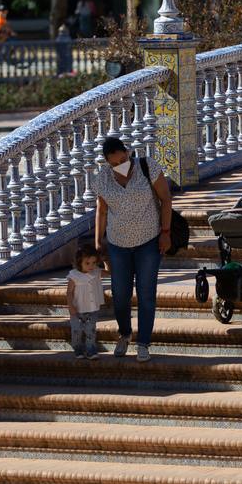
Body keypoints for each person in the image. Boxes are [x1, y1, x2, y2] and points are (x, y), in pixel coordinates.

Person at [93, 136, 172, 363]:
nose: (121, 164)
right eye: (116, 162)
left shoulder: (147, 167)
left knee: (146, 294)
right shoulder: (103, 179)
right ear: (108, 163)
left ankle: (143, 343)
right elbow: (102, 211)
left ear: (128, 152)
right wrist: (99, 242)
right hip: (118, 244)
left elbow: (166, 199)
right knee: (120, 295)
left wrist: (165, 233)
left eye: (124, 158)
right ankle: (125, 333)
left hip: (149, 241)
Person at [66, 244, 105, 360]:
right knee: (77, 330)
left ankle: (91, 349)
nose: (91, 266)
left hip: (92, 309)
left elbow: (110, 273)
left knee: (90, 330)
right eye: (87, 263)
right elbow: (69, 292)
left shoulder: (96, 272)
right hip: (77, 309)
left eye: (94, 262)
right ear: (79, 262)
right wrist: (70, 306)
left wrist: (106, 262)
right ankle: (78, 348)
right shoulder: (74, 275)